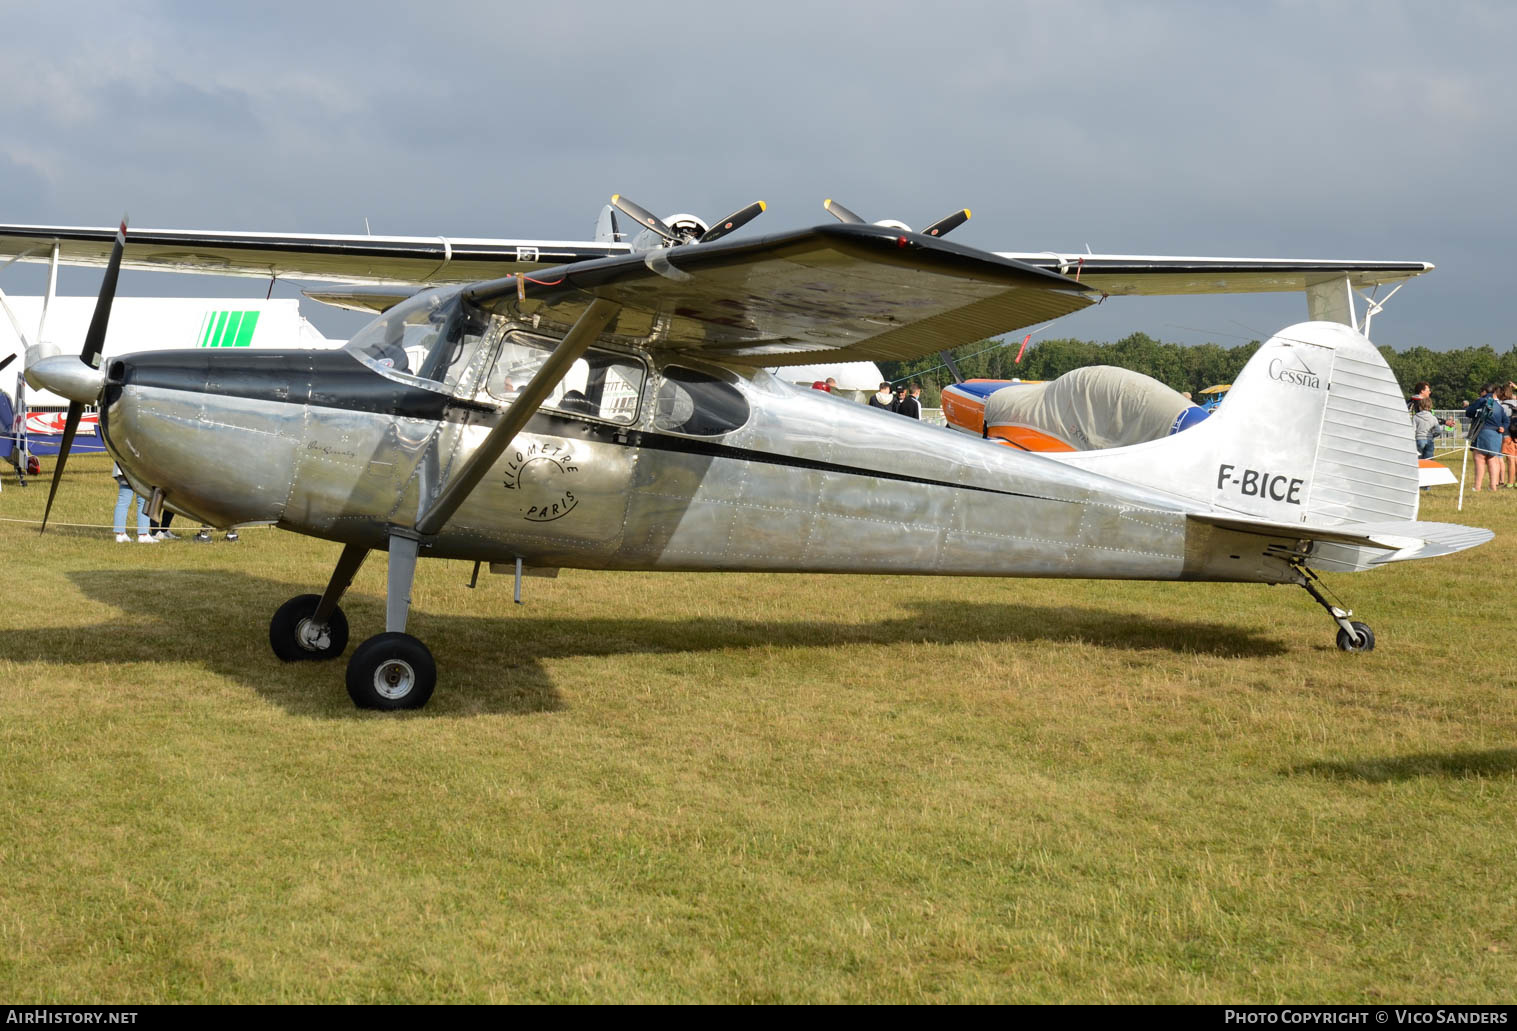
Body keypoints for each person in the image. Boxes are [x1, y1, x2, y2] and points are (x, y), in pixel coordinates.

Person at [1465, 384, 1509, 493]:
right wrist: (1503, 427)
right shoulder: (1499, 406)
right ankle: (1493, 486)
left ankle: (1477, 486)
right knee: (1493, 460)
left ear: (1484, 391)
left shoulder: (1482, 401)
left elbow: (1468, 412)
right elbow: (1506, 421)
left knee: (1479, 459)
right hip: (1496, 434)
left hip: (1482, 431)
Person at [111, 462, 156, 543]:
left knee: (123, 502)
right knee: (143, 501)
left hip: (123, 469)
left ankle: (120, 534)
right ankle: (143, 535)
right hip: (139, 469)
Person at [1412, 398, 1438, 492]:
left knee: (1418, 462)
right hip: (1429, 441)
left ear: (1420, 406)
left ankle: (1418, 483)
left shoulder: (1416, 417)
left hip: (1419, 440)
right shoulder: (1433, 418)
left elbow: (1413, 430)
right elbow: (1438, 430)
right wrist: (1433, 435)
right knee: (1428, 462)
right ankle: (1427, 485)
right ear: (1430, 406)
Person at [1499, 382, 1517, 488]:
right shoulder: (1516, 402)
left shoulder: (1503, 406)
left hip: (1508, 434)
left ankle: (1510, 483)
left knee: (1510, 459)